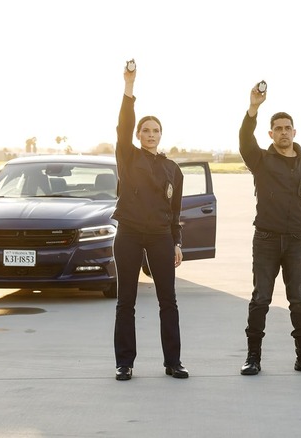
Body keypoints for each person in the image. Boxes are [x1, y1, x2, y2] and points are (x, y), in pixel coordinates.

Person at [238, 81, 301, 376]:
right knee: (261, 298)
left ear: (294, 132)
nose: (283, 132)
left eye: (287, 127)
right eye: (277, 128)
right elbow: (244, 140)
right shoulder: (261, 161)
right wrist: (253, 109)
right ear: (271, 133)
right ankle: (253, 357)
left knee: (298, 300)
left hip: (296, 242)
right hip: (265, 239)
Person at [113, 61, 187, 381]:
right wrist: (129, 89)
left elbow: (175, 211)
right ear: (139, 135)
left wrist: (177, 243)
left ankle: (173, 362)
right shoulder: (127, 157)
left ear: (161, 135)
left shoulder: (173, 169)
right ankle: (125, 363)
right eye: (145, 130)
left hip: (159, 236)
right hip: (129, 233)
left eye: (155, 131)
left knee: (167, 301)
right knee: (126, 300)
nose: (150, 135)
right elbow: (123, 126)